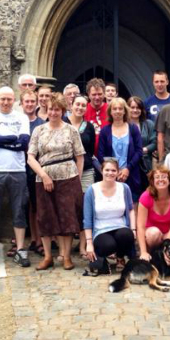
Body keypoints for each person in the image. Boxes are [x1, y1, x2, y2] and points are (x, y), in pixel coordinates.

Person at [27, 94, 86, 271]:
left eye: (57, 109)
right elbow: (30, 157)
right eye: (51, 108)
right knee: (45, 217)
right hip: (44, 178)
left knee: (67, 217)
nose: (53, 112)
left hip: (68, 178)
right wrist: (44, 176)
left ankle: (66, 256)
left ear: (62, 111)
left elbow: (80, 156)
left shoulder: (71, 130)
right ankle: (47, 256)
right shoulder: (39, 130)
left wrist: (77, 177)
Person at [0, 87, 31, 269]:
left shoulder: (21, 117)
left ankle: (20, 249)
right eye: (3, 99)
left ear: (14, 99)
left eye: (9, 99)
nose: (6, 102)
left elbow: (23, 143)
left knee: (19, 210)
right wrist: (12, 140)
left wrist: (0, 138)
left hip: (18, 170)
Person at [84, 158, 137, 274]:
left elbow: (131, 210)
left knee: (127, 235)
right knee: (108, 245)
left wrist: (133, 229)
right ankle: (103, 258)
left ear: (118, 172)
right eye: (107, 170)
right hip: (100, 229)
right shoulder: (91, 190)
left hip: (120, 226)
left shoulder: (124, 188)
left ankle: (120, 257)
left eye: (113, 170)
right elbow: (87, 220)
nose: (110, 173)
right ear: (101, 170)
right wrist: (89, 244)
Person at [97, 97, 143, 201]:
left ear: (125, 111)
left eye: (120, 108)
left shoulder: (133, 128)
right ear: (110, 111)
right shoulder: (105, 131)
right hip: (111, 175)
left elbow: (139, 151)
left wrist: (127, 169)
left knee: (132, 205)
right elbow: (100, 153)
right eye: (114, 109)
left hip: (131, 174)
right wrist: (114, 170)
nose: (117, 111)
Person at [136, 165, 170, 260]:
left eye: (164, 176)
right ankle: (151, 256)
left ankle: (169, 258)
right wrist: (143, 252)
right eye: (157, 177)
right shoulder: (146, 197)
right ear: (152, 181)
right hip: (152, 236)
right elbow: (140, 227)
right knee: (154, 233)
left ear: (169, 180)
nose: (160, 180)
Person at [70, 94, 97, 258]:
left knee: (84, 208)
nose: (80, 108)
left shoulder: (89, 127)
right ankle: (65, 247)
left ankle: (82, 245)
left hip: (86, 171)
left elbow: (91, 150)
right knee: (67, 208)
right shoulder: (63, 123)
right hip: (66, 172)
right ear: (71, 105)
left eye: (83, 105)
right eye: (77, 104)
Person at [21, 90, 46, 258]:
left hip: (35, 168)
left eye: (32, 101)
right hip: (18, 167)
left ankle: (39, 240)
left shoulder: (41, 123)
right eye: (26, 101)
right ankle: (29, 240)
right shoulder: (18, 121)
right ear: (22, 103)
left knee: (37, 206)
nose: (29, 104)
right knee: (26, 206)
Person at [128, 95, 156, 175]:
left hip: (146, 164)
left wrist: (144, 150)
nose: (135, 110)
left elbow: (154, 142)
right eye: (132, 107)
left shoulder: (149, 124)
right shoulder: (123, 125)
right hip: (129, 164)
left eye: (138, 108)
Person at [84, 77, 108, 151]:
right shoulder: (83, 109)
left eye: (100, 94)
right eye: (94, 94)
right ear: (88, 95)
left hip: (107, 155)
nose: (97, 97)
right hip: (88, 154)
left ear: (104, 94)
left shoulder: (111, 109)